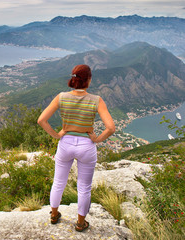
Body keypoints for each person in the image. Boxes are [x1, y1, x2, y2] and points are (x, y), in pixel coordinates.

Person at [37, 64, 115, 232]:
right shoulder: (97, 100)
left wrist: (57, 135)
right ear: (88, 80)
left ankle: (54, 215)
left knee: (58, 182)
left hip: (66, 143)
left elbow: (41, 120)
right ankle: (80, 223)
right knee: (84, 187)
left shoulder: (61, 97)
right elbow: (111, 128)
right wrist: (97, 139)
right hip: (86, 146)